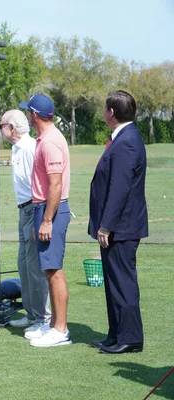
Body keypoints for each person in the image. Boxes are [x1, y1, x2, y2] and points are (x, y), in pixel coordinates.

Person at [88, 90, 147, 354]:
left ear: (111, 112)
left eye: (104, 108)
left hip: (120, 228)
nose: (103, 112)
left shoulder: (127, 142)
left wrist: (106, 225)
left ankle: (130, 337)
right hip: (117, 227)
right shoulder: (123, 138)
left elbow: (119, 188)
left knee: (122, 283)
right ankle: (116, 334)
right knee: (113, 284)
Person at [19, 94, 72, 347]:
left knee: (54, 270)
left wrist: (47, 220)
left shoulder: (50, 141)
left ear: (35, 115)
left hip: (52, 209)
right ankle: (53, 326)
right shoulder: (44, 139)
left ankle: (60, 331)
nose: (27, 116)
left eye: (28, 113)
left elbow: (56, 183)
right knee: (48, 269)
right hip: (44, 208)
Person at [0, 110, 51, 331]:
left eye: (2, 125)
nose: (0, 129)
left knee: (34, 267)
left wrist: (42, 218)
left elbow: (46, 185)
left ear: (12, 128)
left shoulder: (30, 148)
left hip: (34, 209)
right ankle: (31, 314)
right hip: (23, 210)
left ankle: (42, 318)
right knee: (24, 265)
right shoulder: (17, 148)